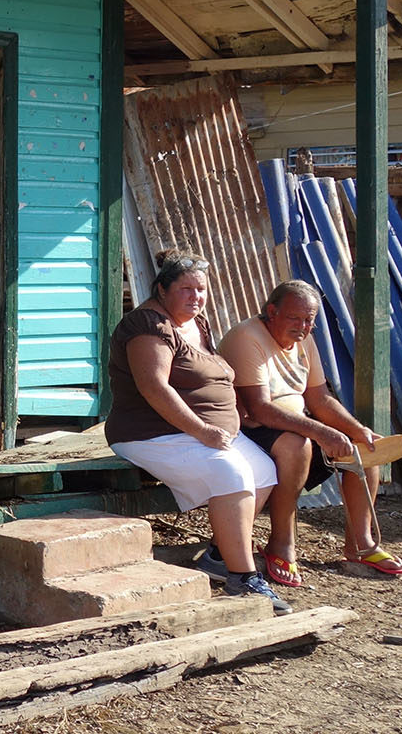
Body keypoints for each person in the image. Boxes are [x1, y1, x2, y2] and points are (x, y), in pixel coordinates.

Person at [105, 252, 291, 613]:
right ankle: (244, 578)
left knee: (264, 471)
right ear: (161, 289)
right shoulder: (148, 325)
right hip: (152, 433)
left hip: (202, 432)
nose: (196, 297)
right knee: (231, 472)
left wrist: (234, 412)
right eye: (186, 289)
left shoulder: (196, 322)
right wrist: (204, 430)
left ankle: (221, 556)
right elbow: (154, 387)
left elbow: (209, 373)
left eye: (201, 289)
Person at [219, 280, 402, 585]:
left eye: (309, 320)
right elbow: (260, 409)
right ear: (272, 311)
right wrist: (322, 432)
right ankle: (281, 542)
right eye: (295, 318)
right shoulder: (247, 336)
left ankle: (361, 543)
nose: (303, 326)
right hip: (251, 429)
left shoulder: (304, 340)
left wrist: (356, 429)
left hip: (295, 423)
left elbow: (319, 398)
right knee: (298, 445)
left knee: (363, 446)